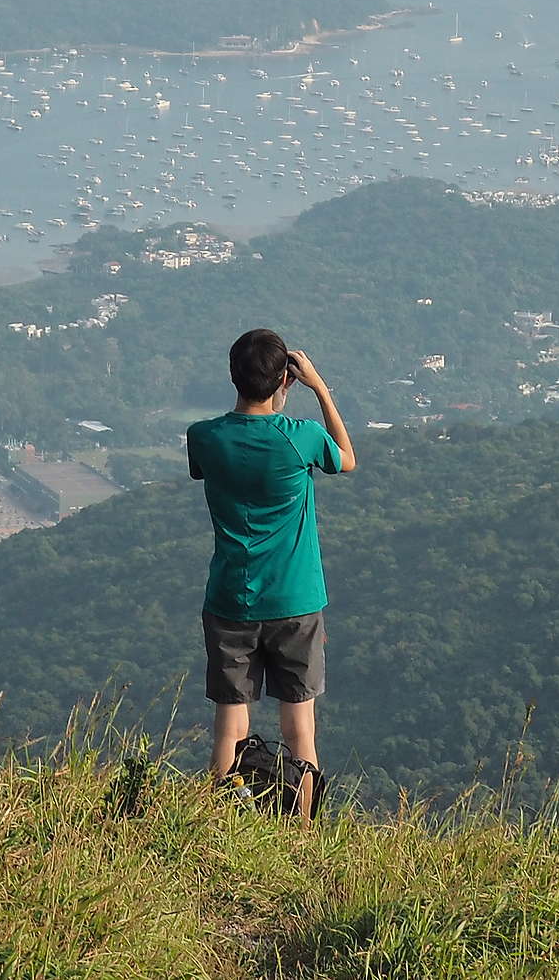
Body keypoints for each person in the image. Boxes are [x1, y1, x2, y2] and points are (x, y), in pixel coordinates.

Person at [186, 328, 357, 814]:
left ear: (232, 377)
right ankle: (302, 834)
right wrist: (320, 389)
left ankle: (215, 825)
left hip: (230, 599)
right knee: (299, 727)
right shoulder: (300, 439)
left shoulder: (204, 437)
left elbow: (204, 467)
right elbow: (346, 460)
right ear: (286, 379)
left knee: (230, 726)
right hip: (296, 600)